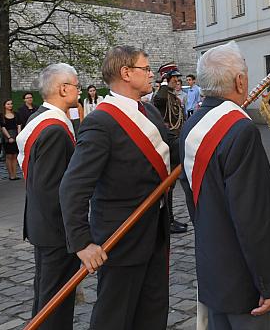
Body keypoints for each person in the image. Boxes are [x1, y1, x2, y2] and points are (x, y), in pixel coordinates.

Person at [180, 42, 270, 329]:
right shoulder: (240, 130)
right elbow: (253, 217)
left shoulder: (191, 125)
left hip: (214, 269)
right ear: (240, 81)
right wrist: (269, 282)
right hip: (247, 285)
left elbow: (194, 200)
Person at [60, 45, 172, 330]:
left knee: (153, 311)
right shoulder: (101, 123)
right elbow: (73, 187)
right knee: (115, 317)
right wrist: (82, 243)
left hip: (155, 230)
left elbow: (173, 150)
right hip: (120, 238)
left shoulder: (149, 111)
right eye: (145, 69)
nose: (151, 74)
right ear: (126, 73)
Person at [17, 63, 81, 329]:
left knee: (46, 295)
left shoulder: (40, 118)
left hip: (42, 226)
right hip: (55, 231)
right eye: (76, 85)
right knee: (55, 302)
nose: (78, 90)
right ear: (63, 88)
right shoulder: (54, 129)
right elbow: (51, 190)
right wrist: (74, 233)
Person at [153, 63, 188, 234]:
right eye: (174, 78)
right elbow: (158, 100)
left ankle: (170, 219)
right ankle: (167, 221)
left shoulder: (173, 97)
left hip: (176, 141)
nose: (177, 80)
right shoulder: (162, 96)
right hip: (168, 143)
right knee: (168, 184)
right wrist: (164, 82)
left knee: (171, 184)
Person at [0, 99, 22, 180]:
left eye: (11, 104)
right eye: (8, 104)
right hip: (7, 136)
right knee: (9, 155)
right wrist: (9, 137)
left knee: (15, 155)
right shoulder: (2, 115)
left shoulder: (16, 114)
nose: (10, 105)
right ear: (4, 105)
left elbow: (19, 125)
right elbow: (3, 127)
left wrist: (18, 136)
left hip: (16, 134)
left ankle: (15, 174)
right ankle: (11, 175)